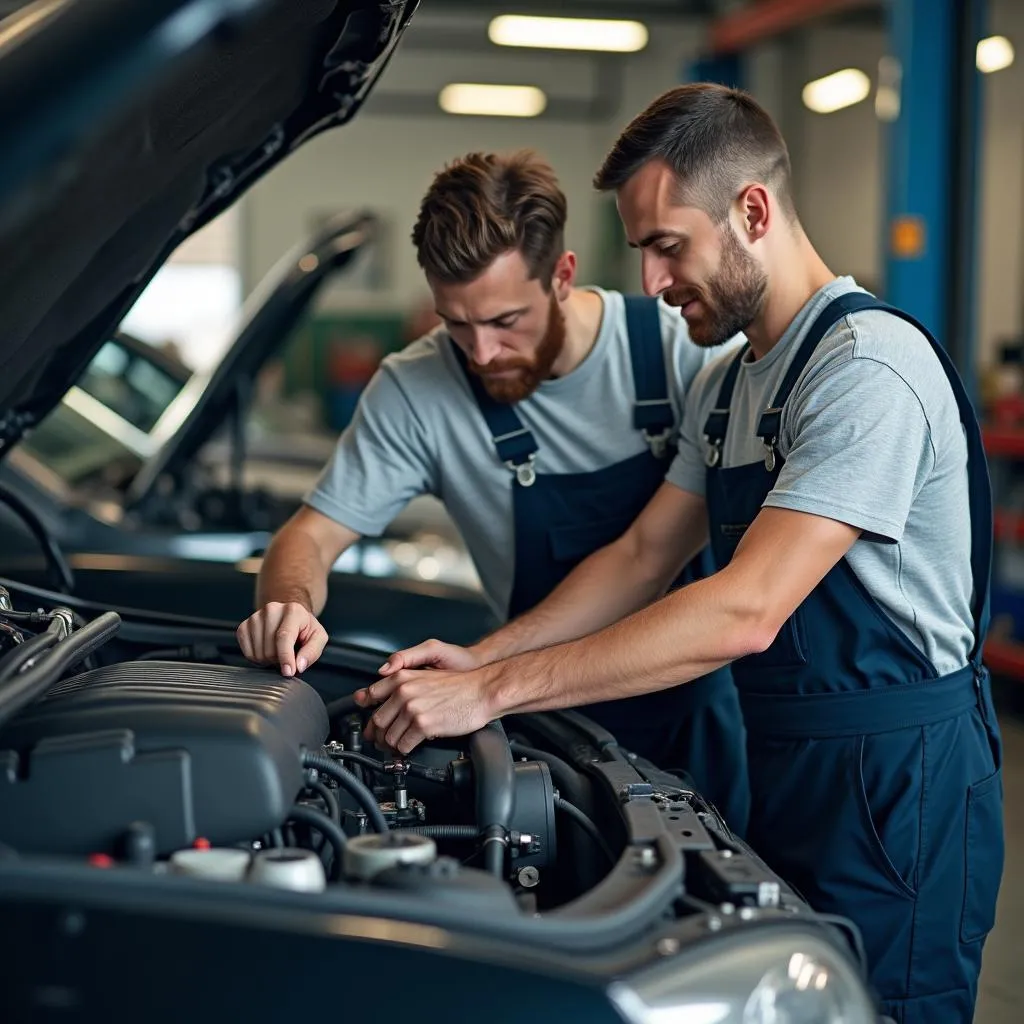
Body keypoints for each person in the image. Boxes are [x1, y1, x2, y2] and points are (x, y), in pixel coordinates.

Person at [355, 87, 1004, 1022]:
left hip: (899, 781)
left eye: (668, 245)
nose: (651, 283)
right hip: (787, 762)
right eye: (643, 252)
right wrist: (482, 659)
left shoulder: (866, 372)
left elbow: (747, 610)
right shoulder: (730, 386)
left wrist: (494, 695)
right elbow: (640, 556)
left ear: (752, 211)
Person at [235, 149, 750, 829]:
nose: (480, 354)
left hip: (704, 714)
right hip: (545, 723)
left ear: (562, 276)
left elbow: (646, 559)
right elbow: (311, 533)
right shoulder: (415, 389)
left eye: (506, 322)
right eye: (455, 323)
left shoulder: (685, 354)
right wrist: (287, 602)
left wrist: (484, 667)